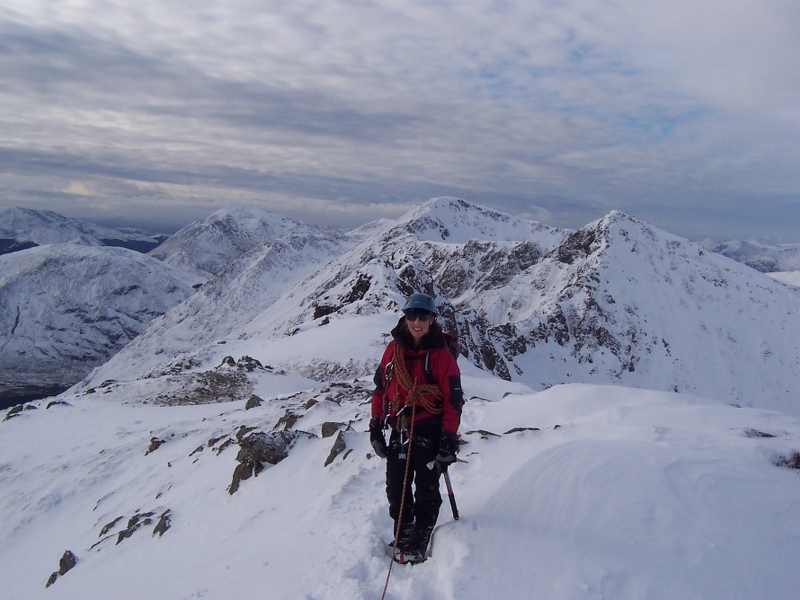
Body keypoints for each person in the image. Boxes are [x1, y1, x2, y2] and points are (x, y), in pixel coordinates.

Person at [369, 292, 463, 563]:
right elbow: (380, 389)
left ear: (432, 319)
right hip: (399, 426)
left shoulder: (441, 355)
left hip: (429, 429)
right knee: (396, 486)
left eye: (423, 316)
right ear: (405, 317)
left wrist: (448, 439)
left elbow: (452, 400)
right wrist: (375, 426)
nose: (417, 322)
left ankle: (420, 534)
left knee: (426, 487)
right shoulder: (393, 350)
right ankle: (404, 527)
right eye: (412, 316)